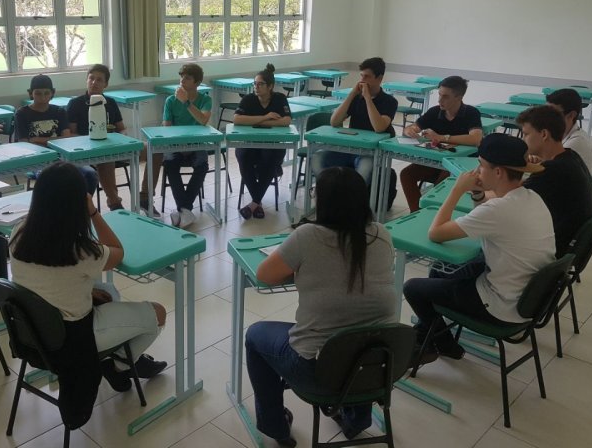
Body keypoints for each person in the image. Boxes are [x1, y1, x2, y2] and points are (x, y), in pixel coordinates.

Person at [245, 167, 396, 446]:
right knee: (364, 333)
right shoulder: (382, 234)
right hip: (375, 369)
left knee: (254, 335)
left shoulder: (307, 236)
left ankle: (275, 426)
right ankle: (357, 419)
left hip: (319, 372)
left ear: (323, 201)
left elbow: (265, 275)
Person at [9, 162, 167, 393]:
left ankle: (121, 355)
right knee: (158, 313)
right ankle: (120, 365)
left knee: (108, 291)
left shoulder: (19, 231)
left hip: (33, 329)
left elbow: (48, 279)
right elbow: (117, 251)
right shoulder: (82, 250)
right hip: (73, 338)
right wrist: (93, 212)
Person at [403, 134, 555, 363]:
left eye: (481, 165)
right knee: (440, 269)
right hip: (526, 298)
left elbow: (436, 233)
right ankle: (430, 335)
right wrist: (477, 193)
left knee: (412, 288)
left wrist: (456, 190)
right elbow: (487, 212)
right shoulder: (531, 197)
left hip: (499, 306)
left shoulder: (498, 210)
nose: (476, 171)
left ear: (498, 172)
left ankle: (442, 344)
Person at [67, 64, 163, 216]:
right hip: (91, 151)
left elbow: (122, 128)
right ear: (86, 80)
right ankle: (115, 203)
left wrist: (121, 137)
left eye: (99, 80)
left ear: (105, 84)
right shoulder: (75, 104)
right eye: (91, 78)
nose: (94, 82)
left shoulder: (110, 102)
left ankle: (145, 197)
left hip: (115, 146)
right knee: (106, 158)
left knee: (154, 150)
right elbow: (71, 134)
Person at [517, 105, 592, 257]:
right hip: (566, 246)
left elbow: (507, 196)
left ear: (544, 134)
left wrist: (477, 188)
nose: (523, 139)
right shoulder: (571, 156)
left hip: (549, 250)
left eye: (526, 134)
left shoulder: (553, 170)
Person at [400, 75, 483, 211]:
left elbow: (476, 139)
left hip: (458, 165)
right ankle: (417, 213)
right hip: (435, 161)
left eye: (445, 97)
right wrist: (410, 130)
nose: (440, 100)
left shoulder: (471, 113)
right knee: (406, 174)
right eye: (439, 94)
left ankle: (435, 214)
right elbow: (413, 127)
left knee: (442, 183)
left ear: (459, 97)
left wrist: (441, 137)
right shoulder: (435, 111)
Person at [15, 74, 98, 195]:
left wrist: (36, 139)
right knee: (53, 180)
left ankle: (83, 205)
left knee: (90, 174)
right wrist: (54, 140)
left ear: (52, 93)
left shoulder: (59, 111)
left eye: (46, 93)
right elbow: (24, 143)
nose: (43, 97)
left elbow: (66, 139)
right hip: (36, 160)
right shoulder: (21, 114)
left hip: (62, 157)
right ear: (31, 93)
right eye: (38, 93)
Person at [323, 56, 398, 185]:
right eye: (361, 76)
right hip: (350, 148)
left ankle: (355, 196)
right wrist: (352, 94)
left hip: (372, 153)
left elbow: (379, 127)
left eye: (367, 77)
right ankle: (328, 193)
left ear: (379, 78)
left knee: (364, 168)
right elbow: (334, 122)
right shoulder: (356, 98)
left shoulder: (389, 101)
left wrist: (368, 98)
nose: (362, 80)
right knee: (318, 158)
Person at [233, 63, 292, 219]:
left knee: (270, 157)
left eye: (260, 84)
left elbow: (286, 120)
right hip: (250, 144)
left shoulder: (279, 98)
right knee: (242, 155)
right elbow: (237, 119)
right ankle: (257, 203)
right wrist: (265, 117)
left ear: (270, 86)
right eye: (255, 84)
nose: (256, 87)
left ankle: (254, 203)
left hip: (272, 145)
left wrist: (258, 122)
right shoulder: (248, 99)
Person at [162, 63, 213, 229]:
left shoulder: (205, 99)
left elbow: (203, 120)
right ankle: (186, 210)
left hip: (196, 143)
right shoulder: (170, 100)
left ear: (197, 82)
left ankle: (183, 210)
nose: (182, 81)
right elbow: (166, 127)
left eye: (187, 78)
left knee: (202, 165)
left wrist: (186, 102)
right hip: (176, 144)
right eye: (181, 77)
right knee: (170, 163)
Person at [546, 88, 592, 173]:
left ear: (571, 115)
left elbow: (548, 170)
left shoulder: (575, 143)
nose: (547, 118)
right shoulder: (560, 134)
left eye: (553, 114)